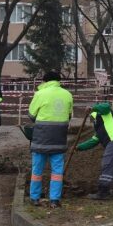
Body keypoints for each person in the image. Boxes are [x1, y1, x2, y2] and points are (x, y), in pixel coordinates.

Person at [27, 71, 73, 207]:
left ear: (45, 81)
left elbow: (31, 114)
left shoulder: (40, 94)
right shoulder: (68, 95)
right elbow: (69, 116)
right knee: (57, 172)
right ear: (59, 81)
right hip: (59, 139)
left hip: (41, 139)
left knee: (37, 170)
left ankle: (34, 198)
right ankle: (54, 200)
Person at [77, 102, 113, 200]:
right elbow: (94, 140)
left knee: (107, 164)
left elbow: (106, 106)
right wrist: (78, 147)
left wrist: (92, 108)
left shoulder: (103, 112)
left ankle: (103, 192)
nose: (91, 120)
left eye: (91, 118)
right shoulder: (102, 126)